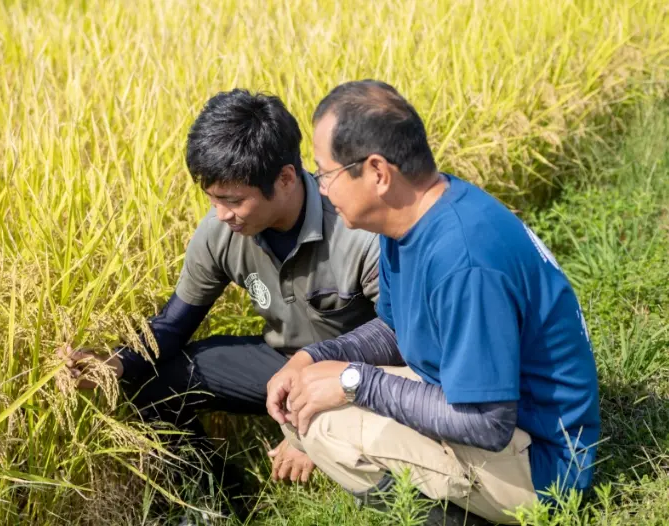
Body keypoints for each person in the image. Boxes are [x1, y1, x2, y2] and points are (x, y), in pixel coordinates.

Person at [266, 80, 601, 525]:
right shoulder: (413, 216)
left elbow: (487, 423)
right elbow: (395, 329)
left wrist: (353, 382)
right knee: (302, 396)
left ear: (378, 173)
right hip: (489, 409)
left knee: (322, 425)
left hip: (543, 466)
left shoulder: (464, 260)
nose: (321, 189)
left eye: (325, 173)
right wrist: (312, 357)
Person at [61, 88, 382, 517]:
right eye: (213, 199)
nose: (221, 214)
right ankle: (224, 502)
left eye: (233, 200)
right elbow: (173, 327)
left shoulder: (356, 229)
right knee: (152, 380)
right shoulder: (220, 233)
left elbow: (403, 345)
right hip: (279, 362)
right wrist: (114, 363)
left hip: (359, 372)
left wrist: (310, 425)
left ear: (286, 178)